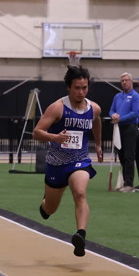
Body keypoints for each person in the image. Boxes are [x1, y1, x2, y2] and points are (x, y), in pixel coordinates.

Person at [31, 65, 103, 258]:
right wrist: (54, 137)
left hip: (80, 161)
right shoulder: (57, 108)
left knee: (79, 192)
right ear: (68, 87)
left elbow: (97, 121)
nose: (81, 92)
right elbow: (36, 132)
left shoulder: (93, 108)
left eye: (84, 88)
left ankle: (80, 236)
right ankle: (45, 202)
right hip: (56, 164)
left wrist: (98, 144)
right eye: (77, 88)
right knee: (50, 210)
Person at [110, 72, 139, 192]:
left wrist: (121, 118)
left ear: (131, 82)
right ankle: (124, 182)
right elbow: (111, 110)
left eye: (126, 80)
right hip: (119, 128)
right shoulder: (117, 96)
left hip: (130, 128)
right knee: (121, 156)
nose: (124, 82)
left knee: (129, 156)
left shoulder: (135, 96)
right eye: (122, 80)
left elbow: (135, 113)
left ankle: (129, 184)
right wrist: (113, 115)